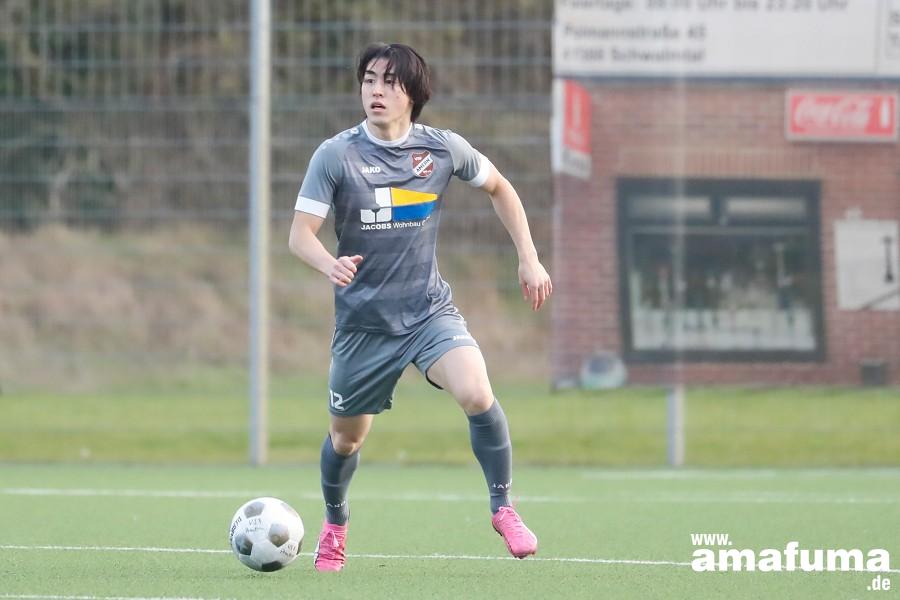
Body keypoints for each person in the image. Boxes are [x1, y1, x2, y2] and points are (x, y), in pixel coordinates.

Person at [288, 42, 552, 572]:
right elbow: (300, 235)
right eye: (369, 80)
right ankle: (335, 524)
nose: (376, 91)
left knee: (476, 391)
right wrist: (329, 265)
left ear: (413, 92)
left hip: (429, 313)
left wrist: (529, 257)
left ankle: (503, 507)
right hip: (364, 327)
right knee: (346, 440)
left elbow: (501, 188)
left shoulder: (442, 149)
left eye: (389, 82)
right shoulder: (335, 155)